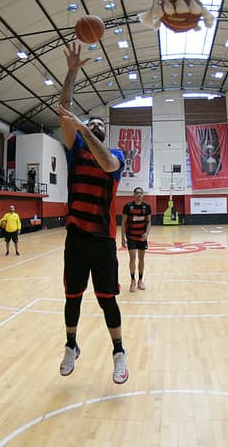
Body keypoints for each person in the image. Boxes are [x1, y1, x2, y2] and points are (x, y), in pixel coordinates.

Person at [58, 42, 128, 384]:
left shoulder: (114, 154)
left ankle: (119, 352)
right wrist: (72, 71)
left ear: (104, 131)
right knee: (72, 299)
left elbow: (106, 161)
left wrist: (86, 129)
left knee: (106, 301)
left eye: (100, 123)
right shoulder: (74, 151)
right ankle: (71, 345)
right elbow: (64, 108)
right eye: (92, 122)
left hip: (102, 240)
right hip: (76, 238)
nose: (95, 124)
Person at [121, 187, 152, 292]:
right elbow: (123, 222)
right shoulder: (128, 207)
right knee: (133, 258)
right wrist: (122, 238)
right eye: (137, 193)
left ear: (143, 195)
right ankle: (132, 280)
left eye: (140, 193)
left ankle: (140, 280)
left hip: (142, 238)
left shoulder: (146, 207)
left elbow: (149, 222)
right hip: (131, 237)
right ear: (134, 195)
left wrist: (146, 234)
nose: (139, 194)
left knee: (141, 259)